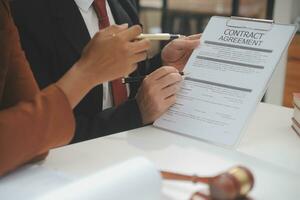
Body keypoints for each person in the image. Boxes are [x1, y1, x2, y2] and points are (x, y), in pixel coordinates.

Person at [11, 0, 200, 143]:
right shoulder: (25, 13)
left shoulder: (121, 4)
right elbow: (40, 128)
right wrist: (135, 113)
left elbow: (128, 83)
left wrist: (164, 64)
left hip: (133, 149)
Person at [0, 0, 149, 176]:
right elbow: (38, 133)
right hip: (76, 166)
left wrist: (165, 66)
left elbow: (36, 135)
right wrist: (87, 73)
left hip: (118, 159)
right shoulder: (27, 11)